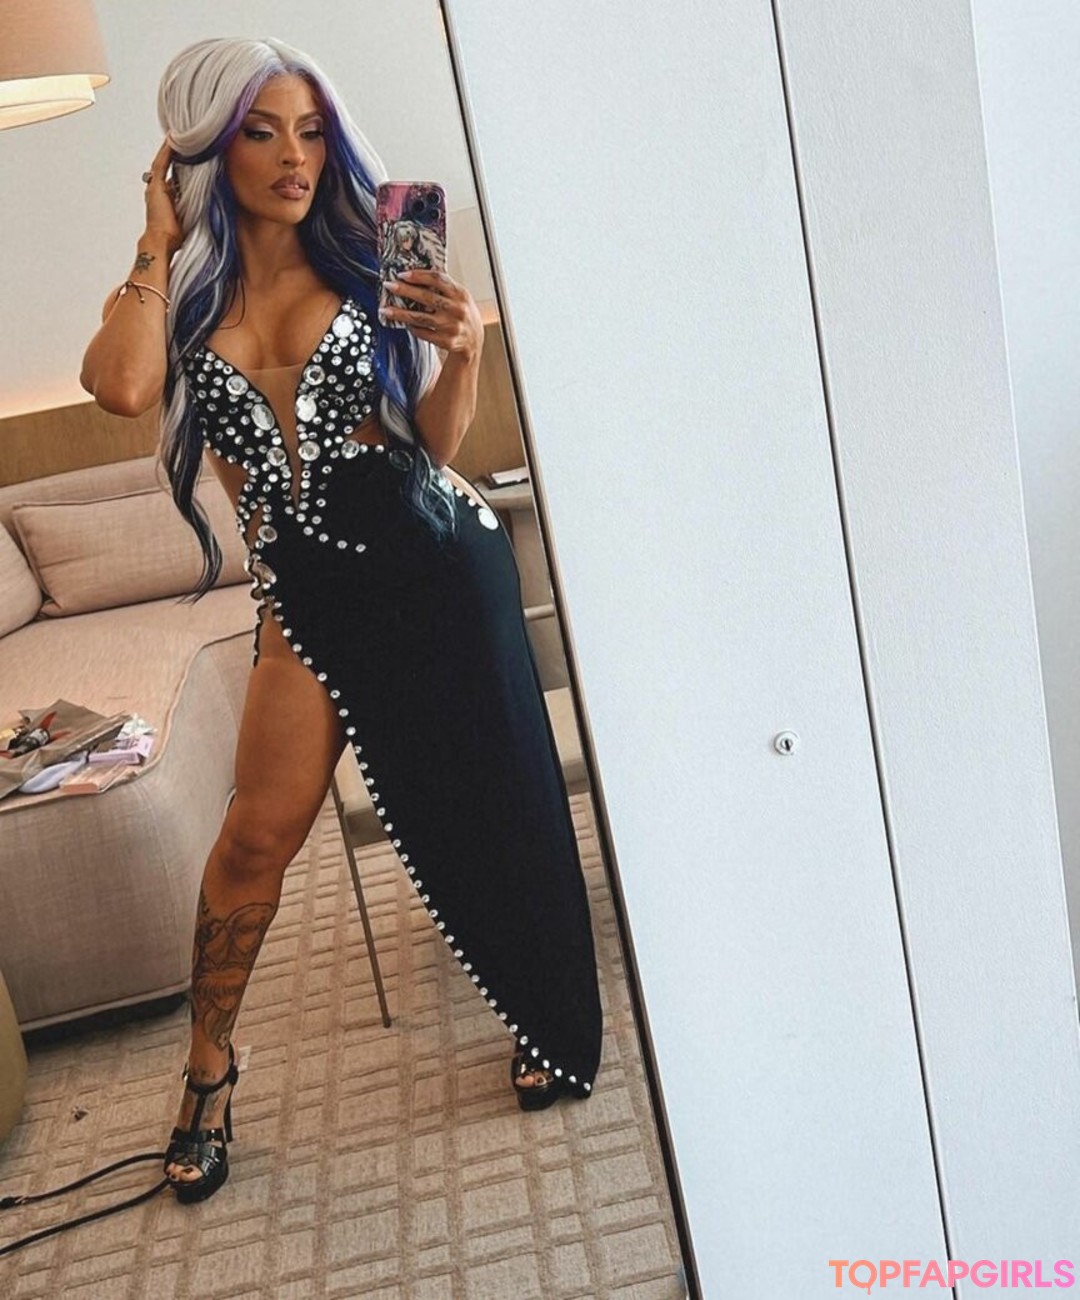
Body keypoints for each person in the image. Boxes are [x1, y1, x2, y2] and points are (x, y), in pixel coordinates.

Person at [79, 36, 603, 1206]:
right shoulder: (178, 298)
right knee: (254, 839)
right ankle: (207, 1074)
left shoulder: (376, 261)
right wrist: (155, 237)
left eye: (312, 131)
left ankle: (545, 1012)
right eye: (263, 132)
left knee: (497, 805)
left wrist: (463, 354)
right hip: (304, 597)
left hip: (433, 567)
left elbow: (432, 451)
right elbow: (120, 385)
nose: (295, 157)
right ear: (204, 148)